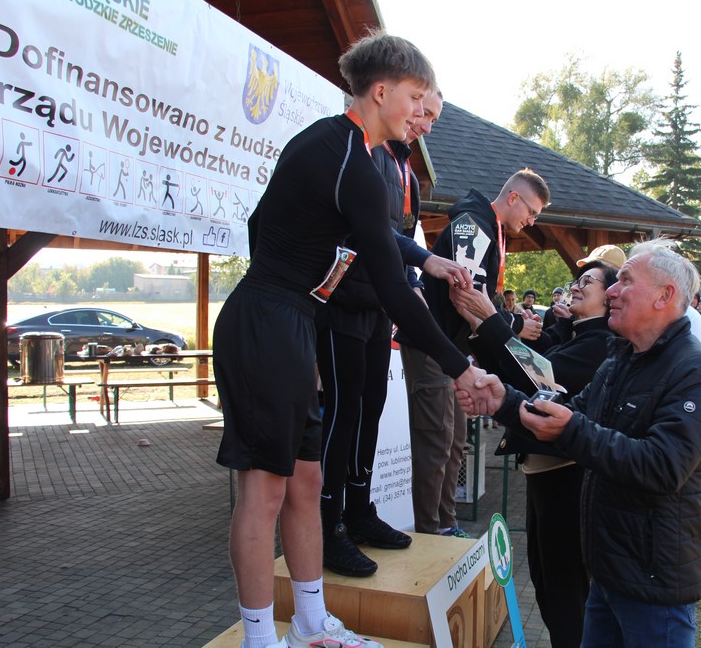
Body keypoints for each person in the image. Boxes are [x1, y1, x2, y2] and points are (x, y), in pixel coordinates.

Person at [211, 32, 495, 648]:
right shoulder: (345, 156)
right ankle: (260, 638)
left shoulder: (345, 152)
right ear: (381, 91)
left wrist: (305, 314)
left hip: (291, 322)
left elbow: (269, 224)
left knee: (307, 483)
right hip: (267, 323)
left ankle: (311, 623)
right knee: (263, 492)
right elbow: (394, 291)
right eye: (417, 100)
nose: (423, 116)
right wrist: (460, 367)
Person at [458, 239, 701, 647]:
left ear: (664, 296)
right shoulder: (621, 358)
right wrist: (504, 402)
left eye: (624, 281)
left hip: (651, 584)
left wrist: (493, 323)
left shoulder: (694, 370)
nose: (612, 291)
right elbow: (567, 409)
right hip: (607, 572)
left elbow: (662, 466)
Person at [450, 256, 618, 648]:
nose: (576, 286)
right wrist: (479, 325)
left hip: (567, 476)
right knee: (545, 582)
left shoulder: (600, 342)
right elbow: (514, 368)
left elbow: (539, 374)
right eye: (576, 281)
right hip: (544, 472)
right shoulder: (575, 333)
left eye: (588, 282)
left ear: (609, 298)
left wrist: (491, 318)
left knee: (563, 590)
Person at [315, 90, 449, 578]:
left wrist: (410, 283)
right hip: (341, 304)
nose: (426, 125)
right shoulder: (363, 149)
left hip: (377, 308)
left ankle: (359, 511)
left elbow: (400, 236)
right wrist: (423, 262)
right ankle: (326, 528)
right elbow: (368, 230)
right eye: (423, 112)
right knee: (342, 414)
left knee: (369, 410)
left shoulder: (404, 164)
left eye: (432, 118)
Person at [397, 169, 550, 537]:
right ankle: (431, 534)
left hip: (452, 351)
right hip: (430, 345)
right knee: (436, 443)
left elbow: (482, 295)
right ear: (513, 198)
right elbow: (464, 295)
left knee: (453, 443)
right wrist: (513, 325)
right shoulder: (474, 224)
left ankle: (446, 525)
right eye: (531, 212)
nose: (531, 222)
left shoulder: (490, 228)